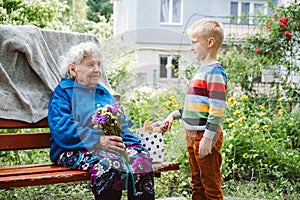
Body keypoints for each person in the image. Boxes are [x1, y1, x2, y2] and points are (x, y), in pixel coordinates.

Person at [48, 42, 155, 200]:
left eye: (99, 64)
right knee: (109, 164)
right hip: (72, 149)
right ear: (73, 69)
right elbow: (63, 129)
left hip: (109, 149)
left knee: (142, 160)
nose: (97, 70)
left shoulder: (103, 92)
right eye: (91, 65)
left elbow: (121, 124)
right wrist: (98, 140)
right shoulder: (63, 93)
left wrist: (133, 145)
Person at [162, 18, 227, 200]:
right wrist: (173, 115)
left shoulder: (215, 73)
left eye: (194, 42)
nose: (191, 47)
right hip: (192, 135)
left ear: (210, 42)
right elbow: (194, 105)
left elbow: (217, 109)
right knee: (196, 182)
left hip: (204, 136)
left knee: (210, 185)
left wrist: (208, 138)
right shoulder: (202, 71)